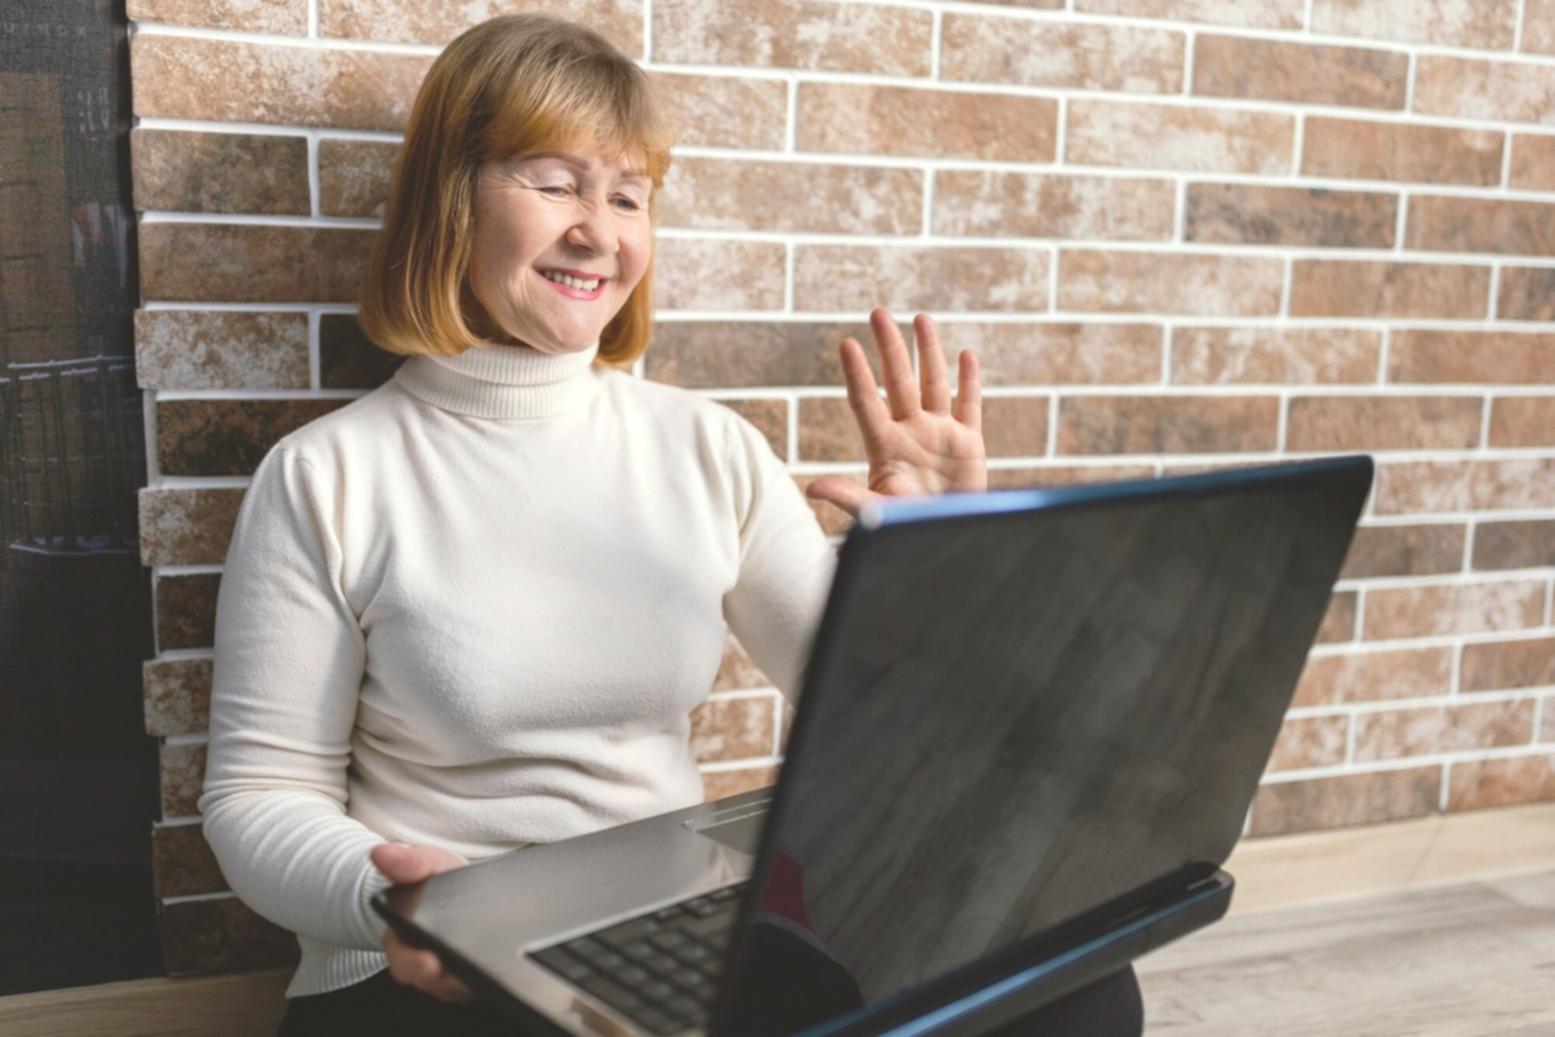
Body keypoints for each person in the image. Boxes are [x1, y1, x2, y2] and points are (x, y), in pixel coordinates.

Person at [196, 12, 1140, 1035]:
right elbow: (256, 795)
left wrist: (941, 559)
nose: (598, 232)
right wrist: (401, 899)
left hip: (656, 928)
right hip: (429, 963)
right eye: (554, 183)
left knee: (1073, 983)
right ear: (450, 200)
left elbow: (892, 720)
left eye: (628, 195)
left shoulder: (704, 446)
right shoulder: (328, 473)